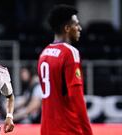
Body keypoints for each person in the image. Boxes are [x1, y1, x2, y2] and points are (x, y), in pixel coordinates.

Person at [37, 4, 93, 135]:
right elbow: (76, 98)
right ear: (67, 28)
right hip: (68, 129)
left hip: (46, 129)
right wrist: (87, 131)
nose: (80, 28)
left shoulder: (44, 53)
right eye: (76, 25)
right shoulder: (70, 53)